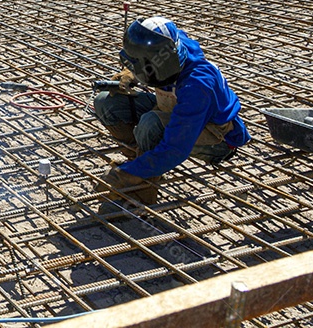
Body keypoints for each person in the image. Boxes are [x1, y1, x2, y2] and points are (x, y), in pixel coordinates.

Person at [93, 17, 251, 204]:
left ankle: (140, 193)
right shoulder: (170, 46)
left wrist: (124, 174)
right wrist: (130, 73)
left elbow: (176, 148)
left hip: (218, 138)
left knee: (151, 124)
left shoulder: (198, 85)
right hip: (177, 110)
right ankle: (146, 161)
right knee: (108, 102)